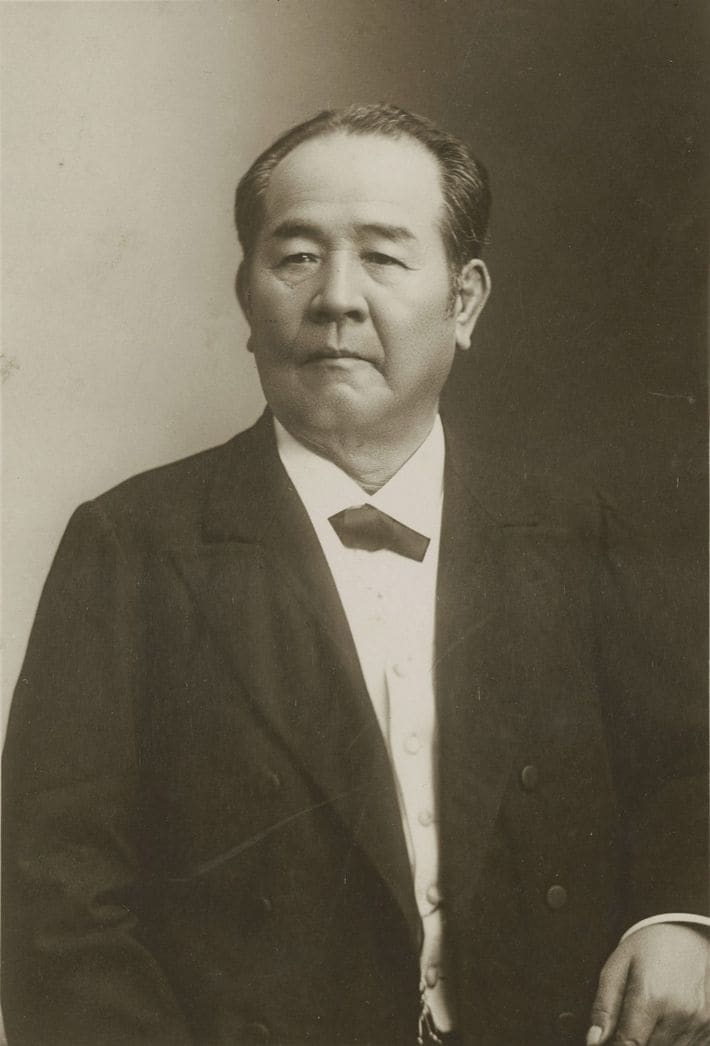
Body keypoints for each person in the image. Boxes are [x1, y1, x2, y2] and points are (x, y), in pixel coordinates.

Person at [2, 104, 708, 1046]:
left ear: (465, 302)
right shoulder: (129, 547)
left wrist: (680, 918)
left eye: (382, 256)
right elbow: (53, 913)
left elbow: (688, 768)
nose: (336, 297)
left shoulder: (577, 533)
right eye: (297, 257)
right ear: (245, 296)